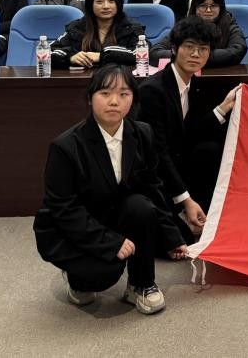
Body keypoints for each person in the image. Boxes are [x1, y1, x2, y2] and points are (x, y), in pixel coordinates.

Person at [33, 64, 187, 314]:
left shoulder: (142, 133)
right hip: (72, 225)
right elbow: (64, 209)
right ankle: (76, 279)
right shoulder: (65, 146)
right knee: (103, 273)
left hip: (115, 211)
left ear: (133, 99)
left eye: (124, 94)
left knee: (141, 206)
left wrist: (171, 236)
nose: (114, 101)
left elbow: (152, 187)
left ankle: (141, 284)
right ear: (90, 97)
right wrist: (110, 242)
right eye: (105, 93)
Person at [137, 16, 227, 236]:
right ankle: (186, 214)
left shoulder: (194, 84)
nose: (196, 54)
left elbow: (191, 133)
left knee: (210, 148)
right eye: (189, 47)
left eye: (203, 49)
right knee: (177, 238)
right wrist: (185, 199)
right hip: (152, 173)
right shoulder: (153, 90)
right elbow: (157, 152)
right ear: (174, 49)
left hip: (178, 162)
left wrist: (223, 108)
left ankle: (203, 215)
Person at [51, 0, 145, 69]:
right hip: (83, 78)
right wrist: (70, 58)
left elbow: (143, 53)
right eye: (99, 1)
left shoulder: (131, 27)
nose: (106, 6)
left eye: (111, 1)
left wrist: (101, 56)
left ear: (118, 4)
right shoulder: (77, 28)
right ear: (90, 4)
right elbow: (48, 52)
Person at [150, 0, 247, 68]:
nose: (208, 10)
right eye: (203, 6)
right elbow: (154, 52)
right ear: (195, 8)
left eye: (213, 6)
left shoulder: (229, 24)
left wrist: (197, 56)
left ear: (220, 8)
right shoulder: (185, 26)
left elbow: (238, 51)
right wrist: (183, 54)